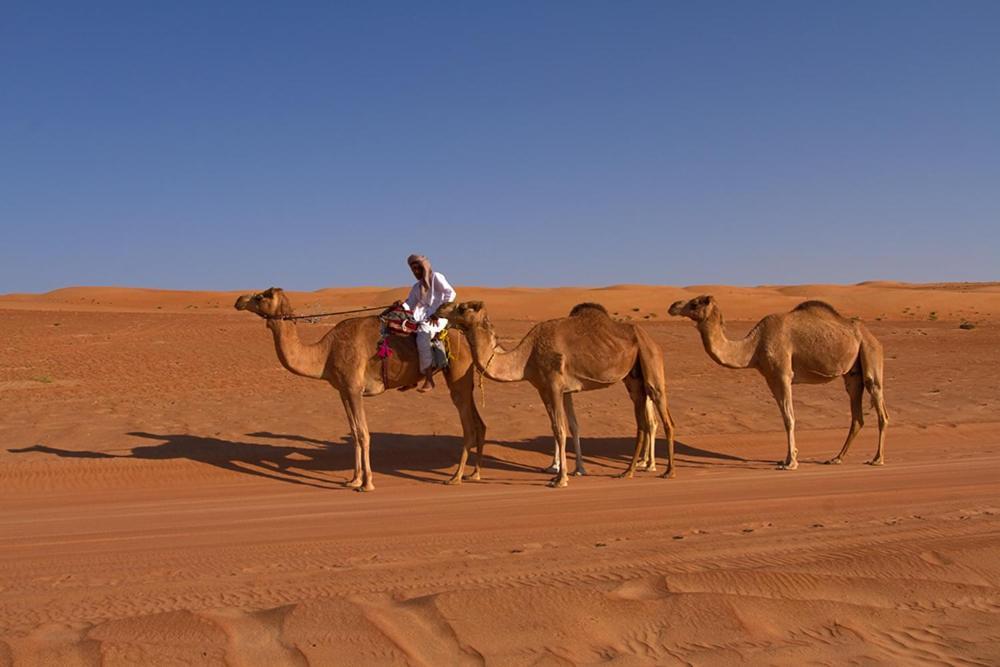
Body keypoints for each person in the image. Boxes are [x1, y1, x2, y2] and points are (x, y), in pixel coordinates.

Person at [398, 254, 456, 392]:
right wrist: (400, 305)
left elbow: (451, 294)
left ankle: (429, 379)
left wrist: (438, 312)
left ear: (425, 267)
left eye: (418, 268)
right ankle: (411, 378)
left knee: (423, 332)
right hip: (423, 317)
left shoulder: (436, 277)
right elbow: (409, 304)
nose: (416, 271)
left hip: (439, 317)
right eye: (413, 269)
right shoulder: (417, 287)